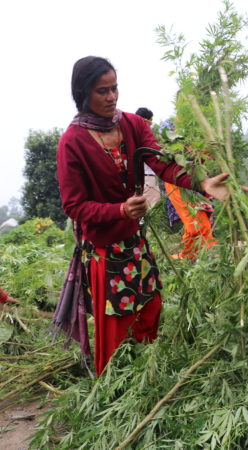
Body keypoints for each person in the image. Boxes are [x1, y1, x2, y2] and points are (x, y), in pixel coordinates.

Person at [56, 56, 229, 374]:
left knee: (150, 307)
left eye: (114, 88)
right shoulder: (73, 142)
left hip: (134, 242)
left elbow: (162, 163)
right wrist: (119, 210)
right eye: (101, 91)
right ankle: (116, 387)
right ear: (83, 94)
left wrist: (201, 183)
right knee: (118, 326)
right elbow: (74, 206)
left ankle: (147, 375)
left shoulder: (131, 125)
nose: (111, 97)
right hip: (106, 251)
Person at [134, 107, 162, 207]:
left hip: (141, 179)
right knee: (152, 209)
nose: (150, 125)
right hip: (148, 178)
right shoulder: (143, 137)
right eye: (150, 122)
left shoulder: (132, 136)